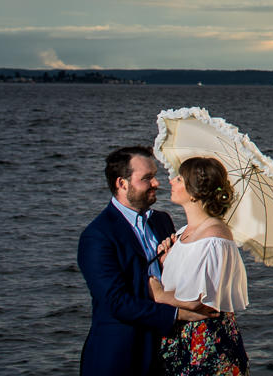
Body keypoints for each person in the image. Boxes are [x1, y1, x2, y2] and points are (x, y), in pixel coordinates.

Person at [79, 145, 213, 376]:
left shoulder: (162, 221)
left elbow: (171, 280)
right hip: (120, 356)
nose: (156, 183)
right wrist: (178, 314)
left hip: (168, 353)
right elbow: (116, 302)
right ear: (122, 183)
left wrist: (170, 265)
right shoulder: (97, 236)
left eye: (155, 176)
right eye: (147, 178)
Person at [147, 155, 252, 376]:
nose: (172, 181)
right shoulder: (182, 232)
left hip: (207, 343)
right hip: (181, 339)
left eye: (180, 179)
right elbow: (187, 282)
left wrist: (159, 295)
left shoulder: (215, 236)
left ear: (194, 192)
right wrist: (167, 262)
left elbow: (203, 302)